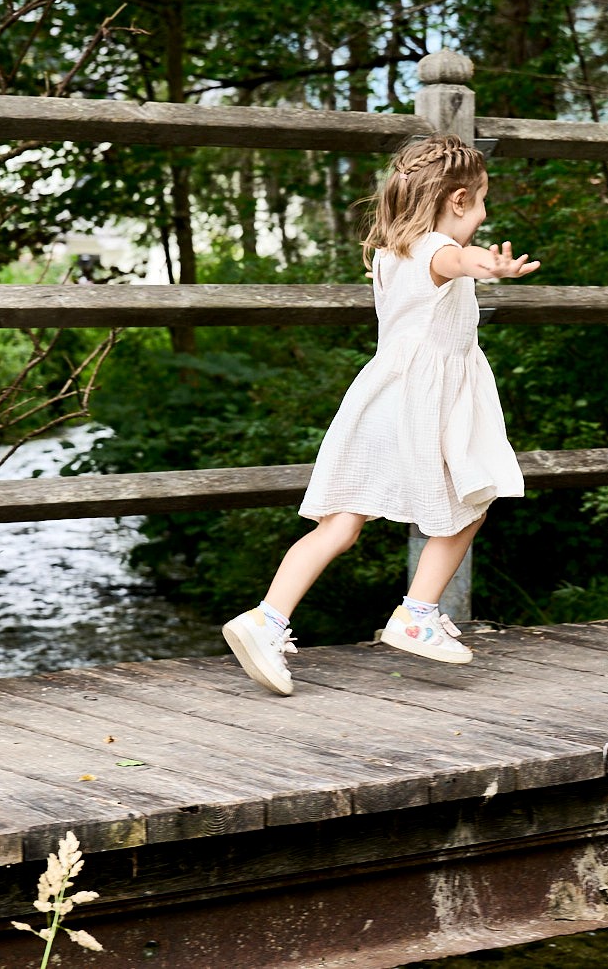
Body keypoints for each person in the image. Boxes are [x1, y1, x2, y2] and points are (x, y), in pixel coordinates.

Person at [222, 132, 540, 695]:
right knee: (472, 499)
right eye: (483, 201)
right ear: (460, 200)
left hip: (383, 401)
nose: (484, 214)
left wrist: (478, 266)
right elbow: (454, 257)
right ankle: (417, 613)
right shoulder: (435, 249)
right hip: (425, 407)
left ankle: (265, 619)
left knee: (341, 522)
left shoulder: (394, 251)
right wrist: (488, 266)